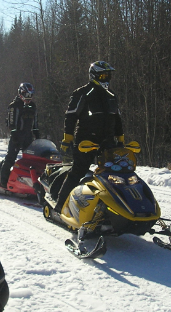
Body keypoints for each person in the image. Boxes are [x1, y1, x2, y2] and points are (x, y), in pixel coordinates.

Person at [53, 61, 124, 212]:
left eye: (109, 76)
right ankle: (60, 206)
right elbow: (70, 116)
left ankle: (114, 209)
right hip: (86, 140)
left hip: (108, 141)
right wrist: (67, 138)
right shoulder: (82, 93)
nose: (107, 79)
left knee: (113, 174)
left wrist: (121, 138)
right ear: (94, 76)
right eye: (103, 76)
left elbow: (117, 118)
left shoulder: (112, 96)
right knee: (77, 171)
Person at [0, 82, 40, 187]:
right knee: (11, 158)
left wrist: (36, 132)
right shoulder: (15, 106)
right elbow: (11, 123)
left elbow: (35, 120)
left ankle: (29, 181)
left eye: (31, 95)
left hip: (28, 136)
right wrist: (14, 134)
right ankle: (3, 181)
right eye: (27, 95)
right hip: (17, 135)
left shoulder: (32, 106)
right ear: (21, 94)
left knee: (30, 159)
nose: (29, 98)